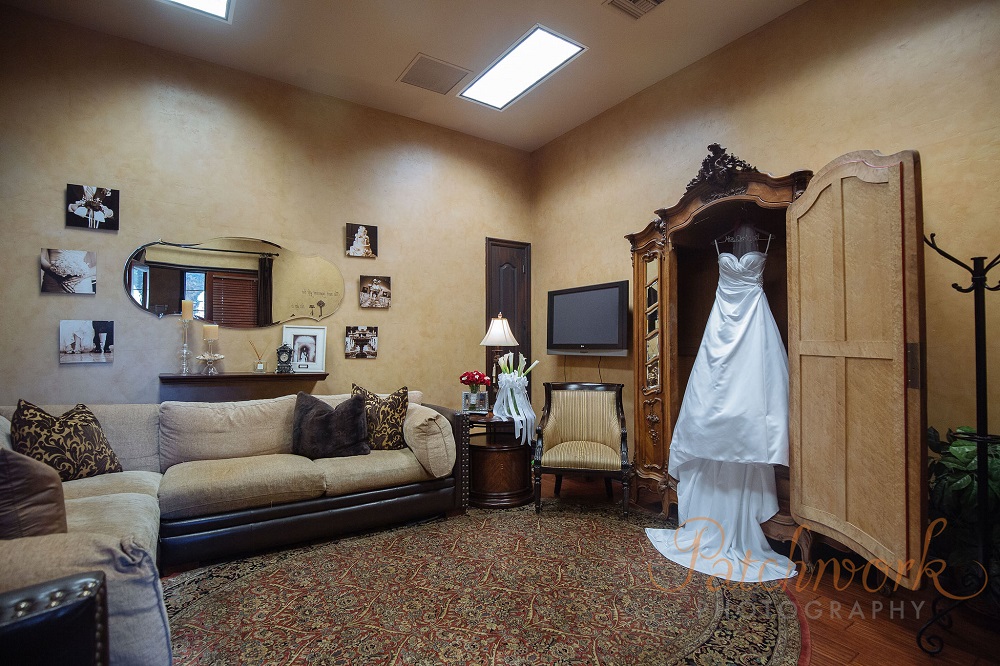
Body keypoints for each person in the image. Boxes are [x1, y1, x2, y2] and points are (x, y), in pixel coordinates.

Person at [645, 221, 795, 583]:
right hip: (721, 321)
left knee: (754, 398)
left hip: (754, 321)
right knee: (708, 401)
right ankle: (708, 507)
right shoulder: (718, 243)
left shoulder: (767, 238)